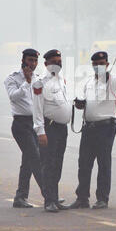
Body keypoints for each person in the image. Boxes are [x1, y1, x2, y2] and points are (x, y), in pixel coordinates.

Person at [69, 51, 116, 209]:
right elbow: (85, 102)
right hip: (88, 128)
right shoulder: (89, 82)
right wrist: (79, 104)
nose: (98, 66)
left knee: (103, 164)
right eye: (95, 64)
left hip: (105, 127)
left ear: (107, 64)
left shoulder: (112, 81)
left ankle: (102, 199)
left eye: (101, 64)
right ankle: (82, 198)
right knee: (84, 164)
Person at [4, 48, 46, 208]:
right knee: (35, 157)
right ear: (23, 61)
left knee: (28, 161)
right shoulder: (12, 78)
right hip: (21, 124)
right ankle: (48, 193)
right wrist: (26, 83)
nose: (33, 64)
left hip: (35, 124)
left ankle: (20, 197)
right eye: (30, 60)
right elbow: (13, 96)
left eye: (35, 61)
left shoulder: (38, 77)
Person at [32, 49, 72, 213]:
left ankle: (55, 198)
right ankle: (49, 201)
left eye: (60, 61)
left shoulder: (61, 79)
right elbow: (37, 109)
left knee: (58, 164)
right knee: (48, 165)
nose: (58, 64)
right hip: (49, 129)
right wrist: (41, 131)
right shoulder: (40, 83)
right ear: (46, 64)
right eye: (54, 62)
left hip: (62, 128)